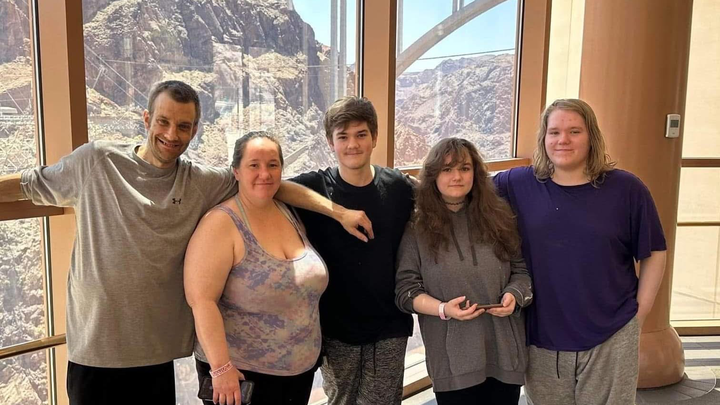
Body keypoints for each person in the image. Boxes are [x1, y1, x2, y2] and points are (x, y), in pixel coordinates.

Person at [0, 80, 372, 405]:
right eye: (163, 122)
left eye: (183, 126)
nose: (171, 134)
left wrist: (339, 212)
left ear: (194, 131)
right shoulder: (97, 161)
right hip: (97, 349)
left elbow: (270, 184)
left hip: (159, 353)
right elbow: (29, 184)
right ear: (146, 119)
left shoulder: (200, 182)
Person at [493, 99, 667, 405]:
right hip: (542, 337)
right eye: (554, 132)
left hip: (612, 333)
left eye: (574, 131)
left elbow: (654, 252)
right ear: (544, 138)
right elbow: (458, 188)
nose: (563, 140)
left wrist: (638, 315)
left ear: (591, 137)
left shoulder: (627, 189)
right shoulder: (518, 184)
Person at [185, 132, 328, 405]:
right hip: (240, 377)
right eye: (254, 165)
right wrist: (221, 368)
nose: (265, 173)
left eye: (273, 165)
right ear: (236, 172)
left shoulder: (289, 213)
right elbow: (201, 300)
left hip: (298, 373)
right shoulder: (220, 223)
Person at [291, 96, 415, 405]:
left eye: (361, 134)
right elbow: (274, 187)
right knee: (341, 401)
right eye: (343, 136)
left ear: (375, 137)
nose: (352, 144)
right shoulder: (317, 186)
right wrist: (338, 212)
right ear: (330, 142)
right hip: (336, 327)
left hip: (389, 322)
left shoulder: (397, 186)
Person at [395, 137, 532, 405]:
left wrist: (514, 296)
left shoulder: (500, 215)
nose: (457, 177)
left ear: (476, 173)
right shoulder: (417, 226)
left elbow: (521, 271)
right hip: (451, 362)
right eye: (447, 169)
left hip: (504, 353)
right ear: (433, 175)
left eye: (464, 168)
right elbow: (405, 292)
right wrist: (444, 309)